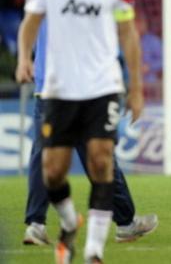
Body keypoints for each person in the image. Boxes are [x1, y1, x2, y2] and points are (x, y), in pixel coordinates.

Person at [16, 0, 148, 264]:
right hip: (58, 87)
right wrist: (23, 57)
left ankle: (93, 250)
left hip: (103, 85)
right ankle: (69, 220)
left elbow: (128, 35)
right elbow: (30, 21)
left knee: (102, 161)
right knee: (52, 170)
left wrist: (136, 87)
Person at [22, 21, 158, 247]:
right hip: (83, 85)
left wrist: (25, 59)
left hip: (48, 85)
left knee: (44, 156)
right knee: (99, 156)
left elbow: (31, 22)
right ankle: (125, 223)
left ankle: (36, 224)